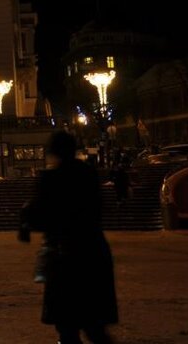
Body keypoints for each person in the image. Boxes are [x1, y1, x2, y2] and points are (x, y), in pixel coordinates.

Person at [22, 131, 118, 344]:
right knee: (95, 327)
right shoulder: (88, 174)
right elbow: (98, 209)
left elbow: (43, 217)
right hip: (93, 251)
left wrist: (27, 218)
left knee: (67, 328)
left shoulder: (50, 178)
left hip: (64, 257)